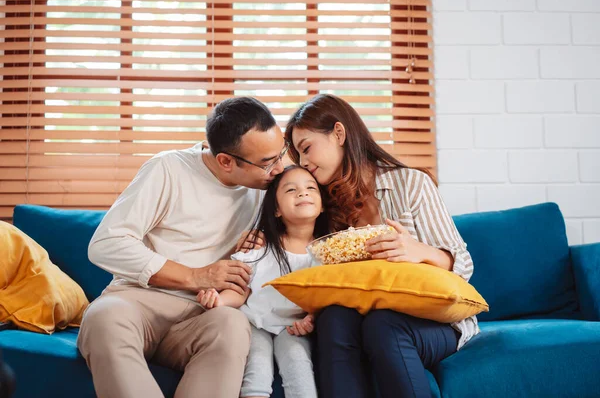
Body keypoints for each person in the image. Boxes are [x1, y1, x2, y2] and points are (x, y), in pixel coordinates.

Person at [77, 97, 289, 398]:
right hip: (138, 302)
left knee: (232, 324)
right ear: (226, 161)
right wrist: (195, 276)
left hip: (204, 313)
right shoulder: (167, 169)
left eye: (280, 154)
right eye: (268, 163)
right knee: (104, 317)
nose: (280, 168)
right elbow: (107, 244)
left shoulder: (270, 187)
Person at [284, 94, 478, 398]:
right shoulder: (323, 207)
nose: (304, 163)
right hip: (360, 318)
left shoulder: (411, 184)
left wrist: (419, 252)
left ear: (338, 133)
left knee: (383, 325)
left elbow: (464, 266)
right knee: (333, 319)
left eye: (306, 148)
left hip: (431, 322)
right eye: (298, 156)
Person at [197, 165, 328, 398]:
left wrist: (312, 319)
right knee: (257, 366)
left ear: (322, 204)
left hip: (294, 327)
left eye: (311, 188)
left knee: (297, 364)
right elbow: (240, 290)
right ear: (276, 209)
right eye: (291, 190)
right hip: (255, 322)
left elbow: (328, 296)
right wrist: (218, 300)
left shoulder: (328, 252)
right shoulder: (259, 246)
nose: (303, 193)